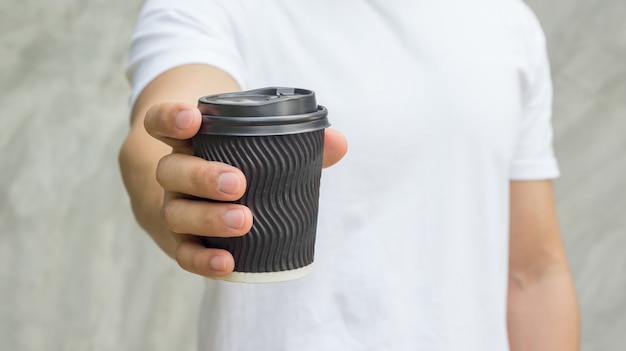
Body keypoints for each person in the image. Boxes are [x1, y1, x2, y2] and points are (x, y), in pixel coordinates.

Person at [119, 0, 580, 349]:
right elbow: (153, 141)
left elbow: (533, 272)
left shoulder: (504, 19)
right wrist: (187, 183)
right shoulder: (204, 8)